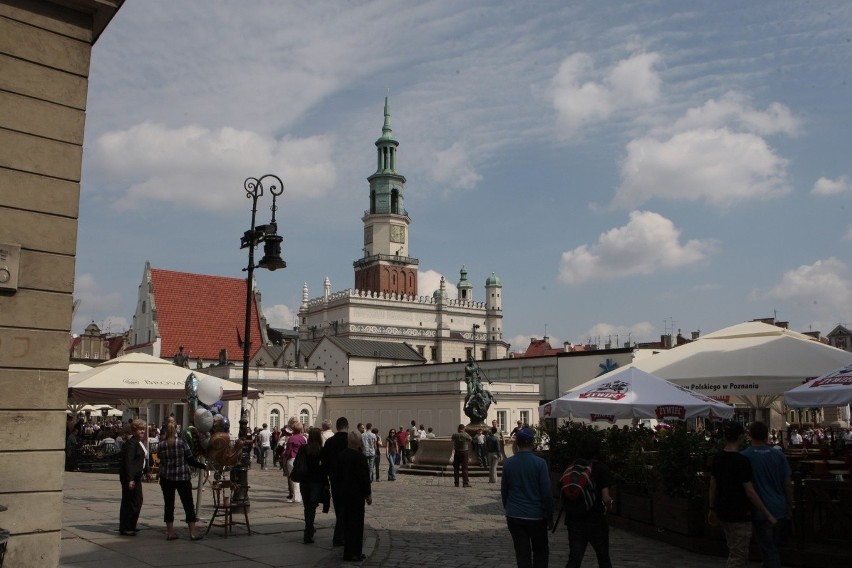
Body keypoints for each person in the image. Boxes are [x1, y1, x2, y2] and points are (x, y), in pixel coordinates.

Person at [709, 421, 776, 568]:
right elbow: (750, 491)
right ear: (740, 437)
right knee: (739, 556)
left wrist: (712, 508)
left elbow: (713, 486)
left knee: (735, 550)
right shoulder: (742, 461)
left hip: (723, 510)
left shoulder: (718, 458)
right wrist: (767, 513)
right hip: (739, 513)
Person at [742, 421, 793, 568]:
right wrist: (790, 505)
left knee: (769, 549)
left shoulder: (745, 456)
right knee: (772, 548)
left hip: (760, 510)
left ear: (750, 435)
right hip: (780, 507)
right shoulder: (779, 455)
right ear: (767, 435)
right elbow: (788, 484)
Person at [501, 427, 553, 568]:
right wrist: (549, 515)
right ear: (532, 443)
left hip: (514, 514)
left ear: (516, 443)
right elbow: (546, 492)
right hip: (536, 515)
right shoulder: (540, 463)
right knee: (540, 551)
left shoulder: (509, 463)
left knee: (522, 553)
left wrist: (509, 508)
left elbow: (504, 490)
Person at [563, 437, 614, 568]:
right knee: (603, 558)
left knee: (574, 558)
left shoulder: (572, 467)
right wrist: (609, 508)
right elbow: (606, 497)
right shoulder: (601, 468)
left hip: (574, 519)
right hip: (595, 520)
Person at [158, 421, 204, 541]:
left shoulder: (161, 444)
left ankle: (170, 532)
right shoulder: (182, 443)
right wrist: (203, 466)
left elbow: (159, 458)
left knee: (169, 505)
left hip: (166, 478)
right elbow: (190, 460)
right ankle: (193, 532)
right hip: (182, 477)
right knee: (188, 504)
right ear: (177, 430)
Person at [338, 431, 373, 562]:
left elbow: (337, 476)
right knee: (357, 525)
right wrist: (368, 494)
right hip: (357, 495)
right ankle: (356, 553)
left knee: (347, 524)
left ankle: (347, 553)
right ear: (358, 442)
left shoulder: (341, 456)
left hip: (344, 494)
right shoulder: (360, 457)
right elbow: (364, 479)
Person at [320, 416, 350, 547]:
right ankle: (340, 536)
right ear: (347, 427)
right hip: (349, 480)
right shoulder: (351, 441)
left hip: (334, 479)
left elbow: (324, 462)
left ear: (337, 427)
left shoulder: (330, 442)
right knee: (347, 509)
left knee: (339, 507)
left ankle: (341, 534)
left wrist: (325, 480)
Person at [119, 418, 148, 536]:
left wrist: (146, 471)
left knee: (137, 500)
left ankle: (131, 525)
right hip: (130, 477)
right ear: (134, 430)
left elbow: (141, 459)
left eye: (144, 430)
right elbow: (129, 461)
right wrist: (130, 479)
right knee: (130, 501)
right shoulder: (131, 443)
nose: (143, 432)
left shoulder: (137, 442)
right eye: (140, 429)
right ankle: (126, 527)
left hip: (136, 476)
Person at [299, 427, 327, 544]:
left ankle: (309, 529)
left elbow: (298, 463)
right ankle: (308, 531)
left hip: (304, 481)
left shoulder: (304, 448)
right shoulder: (321, 450)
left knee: (307, 507)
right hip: (316, 482)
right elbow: (324, 468)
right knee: (312, 507)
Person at [284, 422, 307, 503]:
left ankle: (296, 497)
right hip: (301, 459)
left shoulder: (291, 439)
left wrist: (284, 459)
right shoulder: (304, 438)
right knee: (300, 478)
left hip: (292, 459)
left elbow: (287, 451)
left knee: (293, 479)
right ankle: (298, 496)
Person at [451, 423, 473, 487]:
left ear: (458, 429)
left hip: (457, 451)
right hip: (464, 452)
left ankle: (456, 483)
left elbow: (452, 439)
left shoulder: (455, 435)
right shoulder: (466, 435)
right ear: (463, 429)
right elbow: (471, 439)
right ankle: (465, 483)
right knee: (465, 468)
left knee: (456, 468)